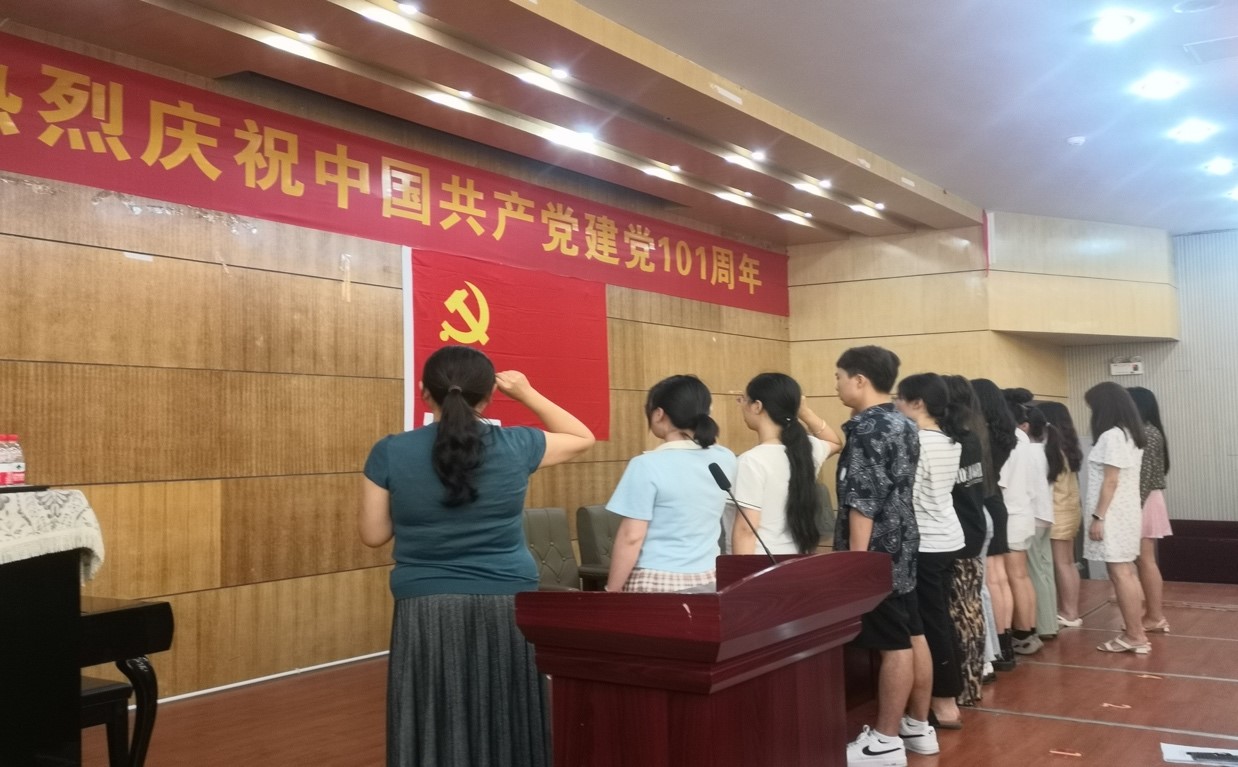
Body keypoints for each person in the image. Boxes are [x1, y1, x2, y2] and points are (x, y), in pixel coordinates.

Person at [359, 346, 596, 767]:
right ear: (488, 396)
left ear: (424, 392)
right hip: (508, 602)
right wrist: (525, 392)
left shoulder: (390, 451)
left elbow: (374, 534)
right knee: (507, 714)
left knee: (435, 715)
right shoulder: (518, 444)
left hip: (426, 605)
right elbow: (583, 437)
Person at [834, 346, 926, 766]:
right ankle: (915, 728)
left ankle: (886, 740)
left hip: (876, 552)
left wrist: (856, 563)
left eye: (839, 377)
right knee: (908, 635)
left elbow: (863, 501)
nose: (836, 385)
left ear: (860, 380)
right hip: (902, 543)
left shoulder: (868, 428)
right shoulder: (903, 422)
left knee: (893, 644)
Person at [606, 374, 736, 593]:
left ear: (658, 414)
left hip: (657, 580)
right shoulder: (725, 458)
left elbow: (631, 537)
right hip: (711, 577)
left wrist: (612, 590)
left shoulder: (646, 465)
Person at [894, 373, 966, 733]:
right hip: (947, 538)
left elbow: (905, 495)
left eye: (900, 398)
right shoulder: (950, 440)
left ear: (917, 403)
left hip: (926, 543)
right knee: (941, 619)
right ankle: (948, 695)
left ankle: (943, 702)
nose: (895, 404)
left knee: (928, 624)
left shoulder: (917, 441)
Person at [729, 372, 841, 555]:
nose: (741, 405)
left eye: (743, 400)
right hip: (796, 560)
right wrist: (804, 412)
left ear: (757, 406)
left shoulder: (752, 461)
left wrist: (742, 571)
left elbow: (746, 530)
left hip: (761, 563)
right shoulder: (808, 449)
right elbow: (835, 442)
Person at [1082, 382, 1149, 654]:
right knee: (1127, 572)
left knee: (1120, 574)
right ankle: (1136, 631)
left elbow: (1110, 480)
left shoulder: (1112, 436)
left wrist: (1098, 516)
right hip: (1127, 511)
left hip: (1112, 513)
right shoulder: (1131, 434)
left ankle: (1135, 635)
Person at [942, 375, 989, 708]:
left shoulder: (949, 443)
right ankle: (972, 681)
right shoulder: (970, 437)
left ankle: (962, 684)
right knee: (971, 608)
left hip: (957, 533)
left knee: (959, 612)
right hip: (974, 526)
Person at [970, 378, 1018, 670]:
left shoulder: (977, 434)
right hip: (997, 502)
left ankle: (996, 647)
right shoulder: (1005, 433)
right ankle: (1006, 643)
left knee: (990, 580)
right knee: (1001, 578)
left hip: (982, 502)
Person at [998, 389, 1044, 655]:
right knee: (1022, 576)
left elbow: (1001, 482)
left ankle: (1023, 633)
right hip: (1024, 511)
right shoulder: (1022, 436)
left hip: (1011, 514)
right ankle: (1029, 630)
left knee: (1013, 577)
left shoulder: (1007, 438)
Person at [1127, 386, 1173, 634]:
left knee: (1144, 560)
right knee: (1144, 560)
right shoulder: (1152, 431)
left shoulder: (1145, 433)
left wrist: (1131, 510)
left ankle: (1155, 616)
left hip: (1142, 500)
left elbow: (1142, 478)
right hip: (1148, 498)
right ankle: (1153, 615)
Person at [1036, 401, 1084, 629]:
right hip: (1071, 510)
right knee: (1069, 562)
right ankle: (1071, 610)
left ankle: (1069, 612)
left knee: (1061, 563)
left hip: (1058, 511)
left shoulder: (1051, 449)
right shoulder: (1069, 447)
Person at [1021, 405, 1059, 641]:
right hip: (1046, 516)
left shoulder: (1027, 451)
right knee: (1045, 571)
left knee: (1035, 572)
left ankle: (1043, 626)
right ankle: (1050, 622)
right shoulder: (1046, 449)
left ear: (1025, 427)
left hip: (1033, 517)